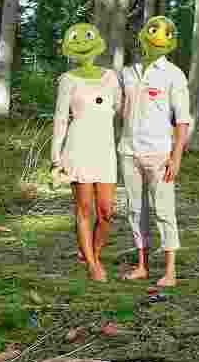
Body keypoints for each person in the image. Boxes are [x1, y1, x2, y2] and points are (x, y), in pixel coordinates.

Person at [119, 16, 191, 287]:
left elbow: (182, 121)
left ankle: (171, 271)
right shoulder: (128, 72)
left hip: (159, 154)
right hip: (128, 151)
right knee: (135, 210)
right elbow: (117, 109)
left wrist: (176, 157)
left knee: (164, 210)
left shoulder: (174, 75)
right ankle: (142, 266)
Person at [52, 23, 121, 281]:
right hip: (78, 148)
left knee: (106, 211)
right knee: (84, 208)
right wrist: (55, 158)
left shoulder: (110, 77)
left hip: (104, 149)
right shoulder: (68, 80)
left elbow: (119, 106)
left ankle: (93, 250)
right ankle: (93, 265)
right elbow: (60, 119)